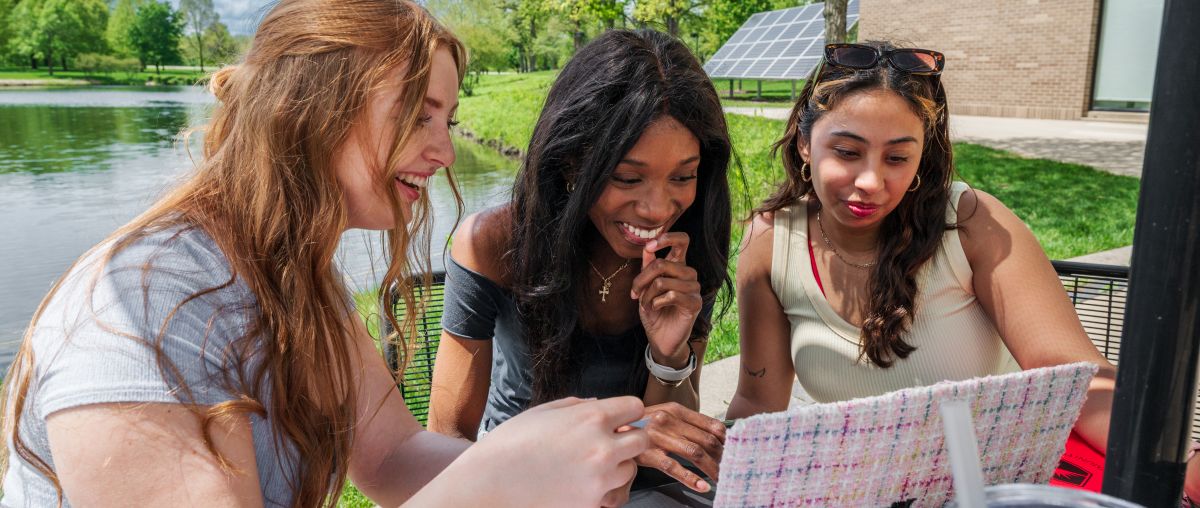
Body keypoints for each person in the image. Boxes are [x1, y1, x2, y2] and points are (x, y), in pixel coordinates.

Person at [0, 1, 649, 507]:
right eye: (417, 116)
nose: (446, 153)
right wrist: (503, 479)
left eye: (448, 122)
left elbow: (392, 457)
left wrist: (549, 463)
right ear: (305, 108)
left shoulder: (294, 277)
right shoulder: (148, 315)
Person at [726, 40, 1200, 499]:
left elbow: (1077, 378)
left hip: (996, 485)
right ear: (807, 144)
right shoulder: (771, 241)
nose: (870, 181)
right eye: (847, 152)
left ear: (921, 157)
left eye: (897, 157)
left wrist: (1180, 461)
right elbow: (757, 402)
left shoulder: (970, 223)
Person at [428, 29, 732, 493]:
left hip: (640, 483)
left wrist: (669, 353)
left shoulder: (689, 246)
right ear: (571, 163)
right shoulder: (492, 244)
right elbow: (447, 436)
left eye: (683, 176)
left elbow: (671, 437)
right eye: (628, 178)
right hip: (516, 478)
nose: (657, 208)